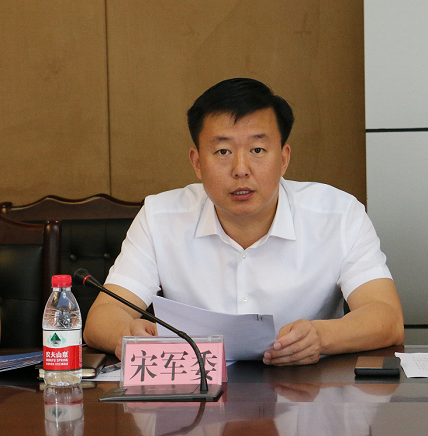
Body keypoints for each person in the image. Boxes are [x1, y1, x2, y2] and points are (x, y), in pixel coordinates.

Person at [83, 78, 404, 366]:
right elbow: (102, 317)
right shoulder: (159, 217)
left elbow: (386, 317)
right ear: (197, 162)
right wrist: (126, 334)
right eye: (223, 151)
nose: (240, 169)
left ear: (284, 158)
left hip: (308, 392)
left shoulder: (339, 215)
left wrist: (321, 337)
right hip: (195, 399)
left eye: (257, 149)